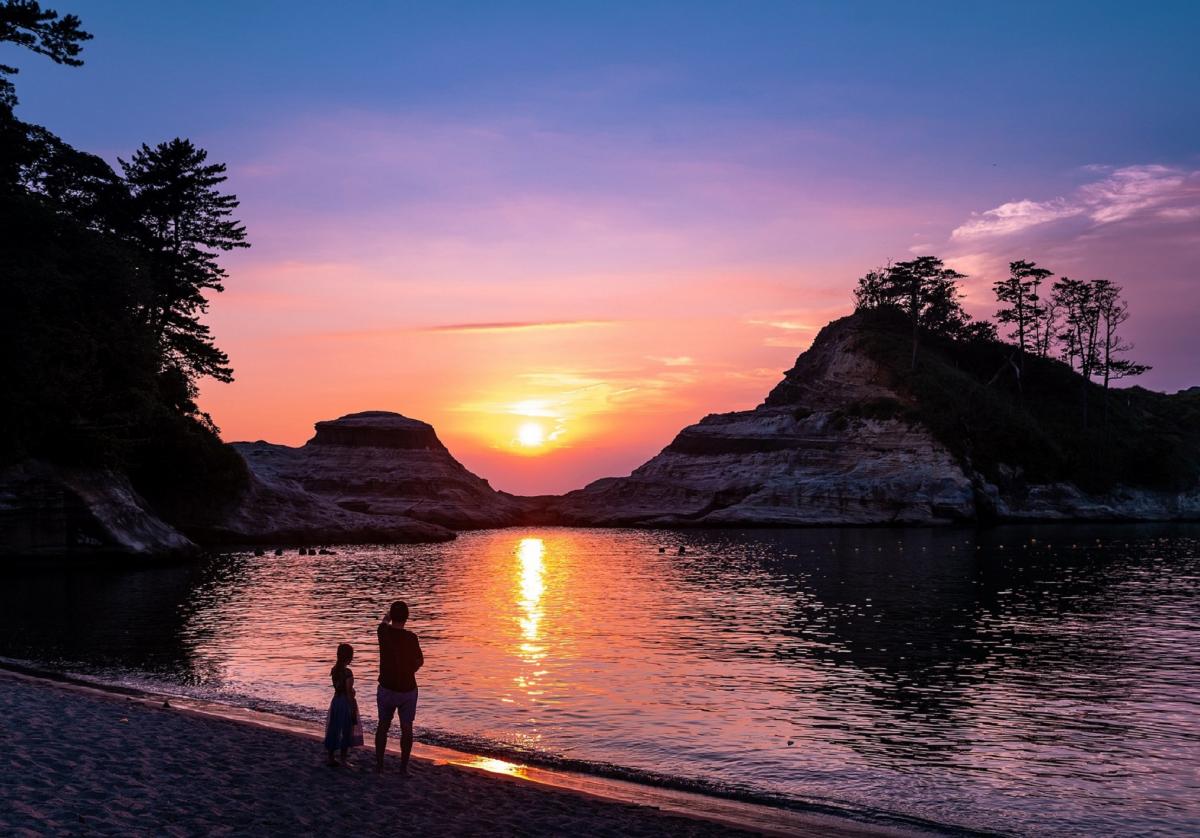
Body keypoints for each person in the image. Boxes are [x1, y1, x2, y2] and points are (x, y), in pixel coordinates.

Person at [376, 600, 423, 774]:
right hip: (407, 689)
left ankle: (379, 765)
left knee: (383, 725)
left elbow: (382, 624)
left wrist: (386, 618)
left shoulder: (383, 633)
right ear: (407, 617)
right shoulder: (411, 637)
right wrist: (411, 669)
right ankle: (403, 768)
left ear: (391, 616)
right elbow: (420, 661)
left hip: (386, 687)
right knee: (406, 727)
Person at [323, 642, 362, 766]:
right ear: (349, 657)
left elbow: (338, 687)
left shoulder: (334, 670)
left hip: (336, 701)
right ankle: (343, 759)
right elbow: (349, 691)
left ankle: (331, 757)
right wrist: (352, 708)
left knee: (334, 728)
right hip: (345, 702)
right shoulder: (348, 673)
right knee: (346, 729)